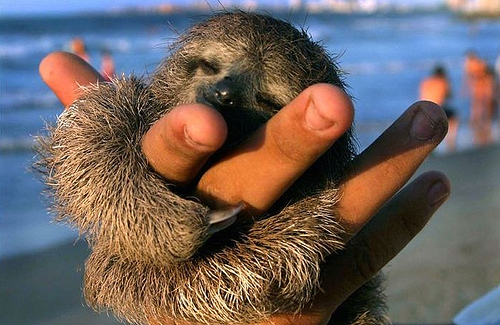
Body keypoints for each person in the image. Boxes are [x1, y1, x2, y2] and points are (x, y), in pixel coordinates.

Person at [39, 51, 451, 325]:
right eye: (206, 65)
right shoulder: (133, 120)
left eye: (269, 97)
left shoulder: (304, 229)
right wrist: (107, 149)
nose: (226, 89)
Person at [420, 65, 459, 151]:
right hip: (437, 108)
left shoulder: (426, 81)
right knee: (453, 118)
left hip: (424, 109)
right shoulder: (443, 81)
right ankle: (451, 142)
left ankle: (429, 147)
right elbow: (448, 96)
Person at [464, 51, 494, 146]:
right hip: (480, 86)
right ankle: (481, 125)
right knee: (480, 106)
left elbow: (485, 74)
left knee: (481, 106)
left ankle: (481, 125)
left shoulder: (476, 64)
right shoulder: (474, 64)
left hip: (482, 86)